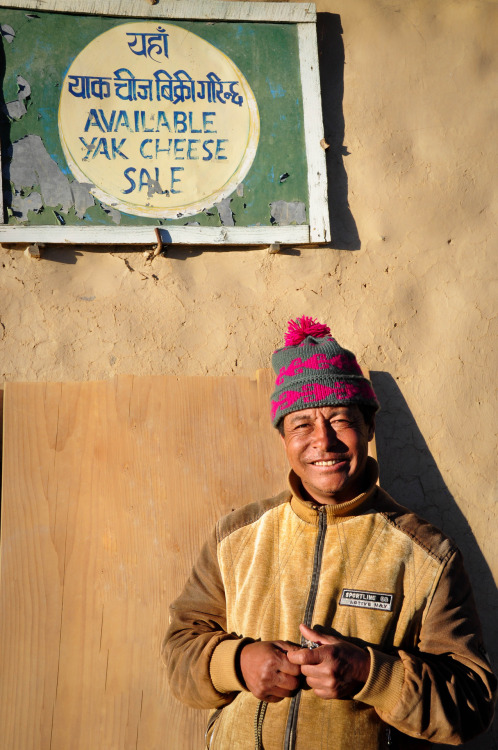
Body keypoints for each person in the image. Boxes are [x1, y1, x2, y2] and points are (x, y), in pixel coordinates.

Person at [163, 316, 496, 749]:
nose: (323, 441)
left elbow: (473, 703)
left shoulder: (427, 556)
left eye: (340, 420)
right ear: (283, 436)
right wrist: (237, 662)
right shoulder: (236, 537)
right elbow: (179, 651)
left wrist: (371, 673)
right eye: (302, 424)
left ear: (368, 428)